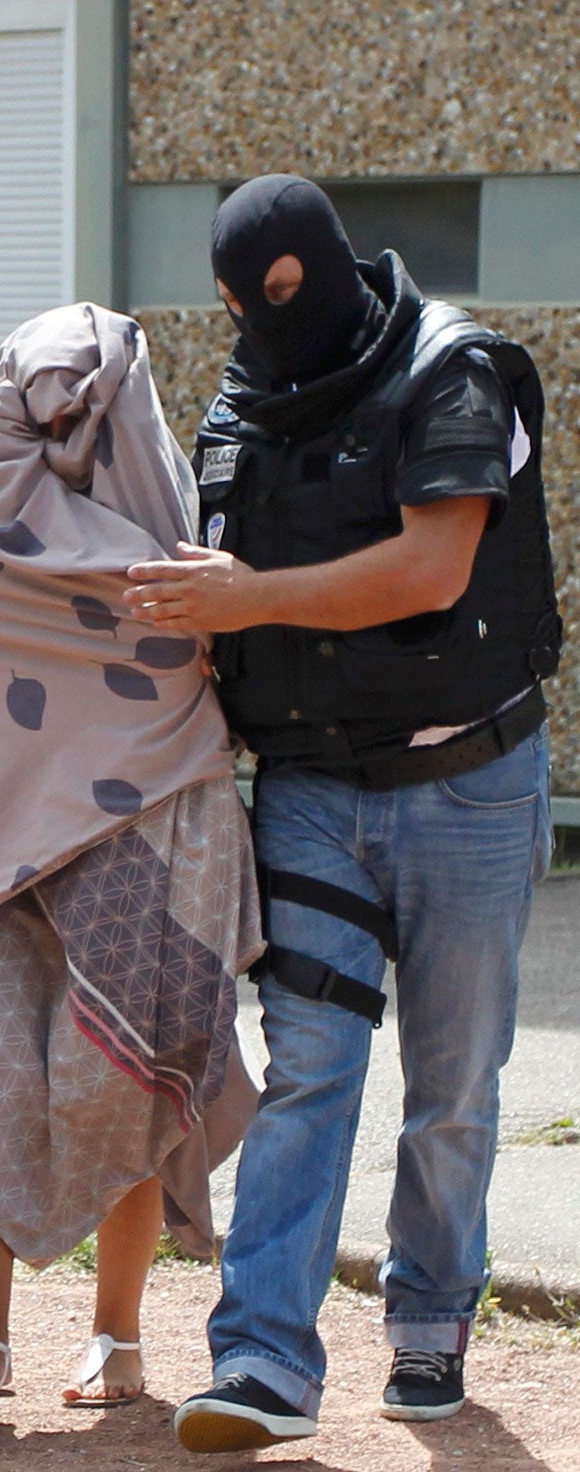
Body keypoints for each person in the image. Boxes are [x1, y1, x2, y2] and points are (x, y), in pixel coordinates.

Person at [126, 175, 559, 1451]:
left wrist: (246, 601)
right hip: (309, 789)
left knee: (451, 1082)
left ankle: (427, 1320)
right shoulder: (240, 402)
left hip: (469, 782)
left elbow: (432, 566)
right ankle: (260, 1357)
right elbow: (196, 583)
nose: (262, 320)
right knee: (309, 1067)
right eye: (235, 304)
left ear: (320, 267)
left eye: (275, 294)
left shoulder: (453, 368)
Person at [0, 302, 260, 1406]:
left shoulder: (161, 515)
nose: (63, 423)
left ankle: (117, 1340)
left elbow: (189, 649)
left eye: (85, 404)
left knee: (121, 1079)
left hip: (133, 828)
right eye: (46, 399)